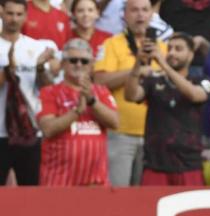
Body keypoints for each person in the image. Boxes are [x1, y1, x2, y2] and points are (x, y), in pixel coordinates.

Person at [94, 0, 167, 186]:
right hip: (121, 133)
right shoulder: (112, 44)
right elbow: (99, 81)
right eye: (134, 10)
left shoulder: (163, 48)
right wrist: (135, 70)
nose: (140, 15)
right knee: (118, 195)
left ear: (152, 14)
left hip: (154, 134)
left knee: (146, 198)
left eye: (145, 10)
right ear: (124, 15)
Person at [125, 32, 210, 185]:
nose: (171, 52)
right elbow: (131, 95)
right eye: (169, 48)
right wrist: (138, 63)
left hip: (189, 165)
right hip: (155, 164)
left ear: (191, 55)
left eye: (178, 49)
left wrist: (163, 64)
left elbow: (194, 95)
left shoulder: (201, 80)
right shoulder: (153, 80)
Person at [37, 38, 118, 186]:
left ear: (92, 65)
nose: (79, 64)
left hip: (95, 183)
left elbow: (115, 122)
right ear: (62, 64)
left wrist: (92, 101)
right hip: (58, 182)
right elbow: (48, 129)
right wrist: (76, 112)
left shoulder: (101, 91)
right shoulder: (49, 92)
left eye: (84, 61)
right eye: (73, 60)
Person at [0, 0, 57, 186]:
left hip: (30, 131)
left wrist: (40, 68)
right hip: (0, 132)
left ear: (26, 16)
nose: (14, 19)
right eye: (10, 13)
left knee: (31, 190)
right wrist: (6, 73)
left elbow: (48, 87)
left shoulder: (36, 47)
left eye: (18, 14)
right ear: (1, 13)